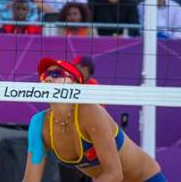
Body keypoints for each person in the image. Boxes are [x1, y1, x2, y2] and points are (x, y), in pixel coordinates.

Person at [23, 58, 164, 181]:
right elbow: (31, 180)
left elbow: (114, 173)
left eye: (56, 74)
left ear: (76, 84)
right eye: (44, 75)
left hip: (146, 179)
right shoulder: (38, 124)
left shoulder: (91, 112)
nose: (47, 79)